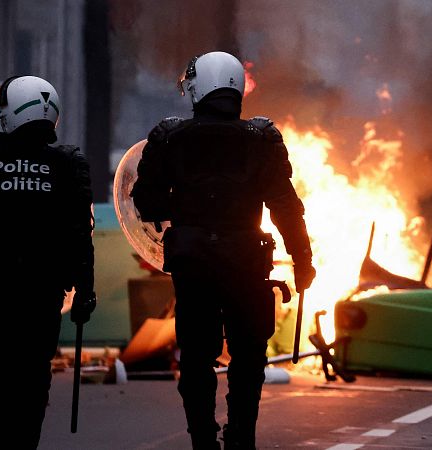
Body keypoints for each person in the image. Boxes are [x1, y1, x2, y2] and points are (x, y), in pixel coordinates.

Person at [131, 51, 316, 450]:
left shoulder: (169, 136)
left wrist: (184, 205)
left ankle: (203, 440)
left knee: (197, 357)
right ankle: (240, 438)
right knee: (249, 357)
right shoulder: (262, 138)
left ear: (198, 87)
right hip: (248, 261)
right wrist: (303, 260)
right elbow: (285, 205)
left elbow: (145, 203)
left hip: (192, 262)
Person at [0, 76, 96, 449]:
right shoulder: (66, 164)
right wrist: (85, 291)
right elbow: (80, 233)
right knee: (31, 380)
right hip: (42, 297)